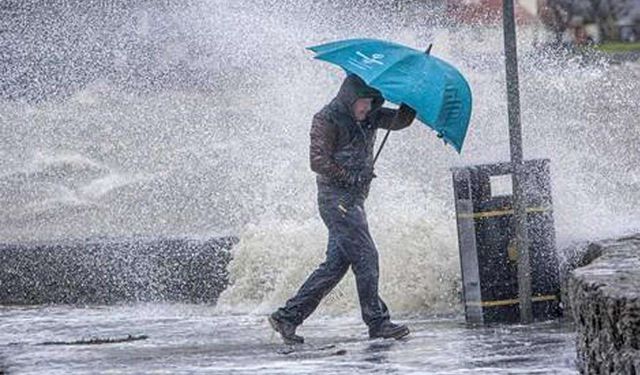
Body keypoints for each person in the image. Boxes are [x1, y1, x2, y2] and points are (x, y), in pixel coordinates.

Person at [269, 74, 416, 344]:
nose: (367, 109)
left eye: (372, 103)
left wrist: (411, 101)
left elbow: (399, 121)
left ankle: (287, 317)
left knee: (335, 266)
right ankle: (378, 322)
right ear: (350, 98)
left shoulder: (370, 115)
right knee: (367, 256)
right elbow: (317, 161)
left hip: (354, 201)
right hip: (336, 200)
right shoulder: (326, 119)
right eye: (363, 103)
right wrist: (350, 177)